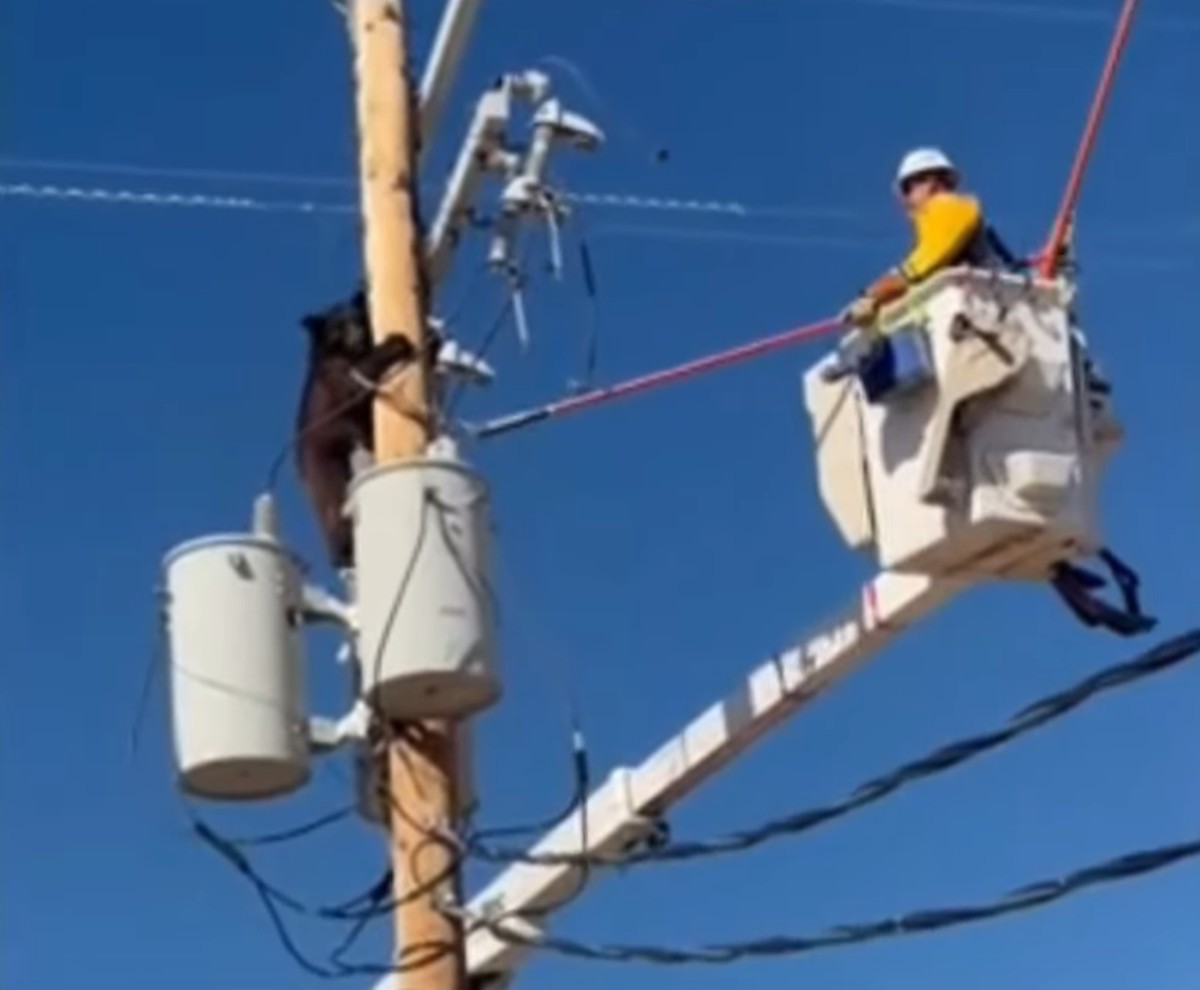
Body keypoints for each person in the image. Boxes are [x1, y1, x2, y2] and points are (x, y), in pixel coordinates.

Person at [839, 147, 1017, 330]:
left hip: (993, 313)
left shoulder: (949, 209)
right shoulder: (947, 222)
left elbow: (916, 269)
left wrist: (871, 297)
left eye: (908, 190)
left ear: (931, 184)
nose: (907, 202)